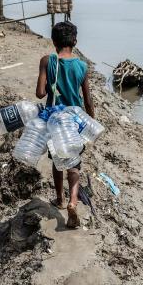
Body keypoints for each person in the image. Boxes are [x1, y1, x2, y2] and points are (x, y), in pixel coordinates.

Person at [36, 21, 95, 229]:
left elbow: (40, 93)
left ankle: (60, 199)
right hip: (76, 120)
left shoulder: (47, 61)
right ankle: (73, 201)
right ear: (75, 41)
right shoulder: (82, 66)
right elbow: (87, 100)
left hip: (55, 120)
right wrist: (91, 122)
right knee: (74, 162)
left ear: (53, 41)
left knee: (57, 160)